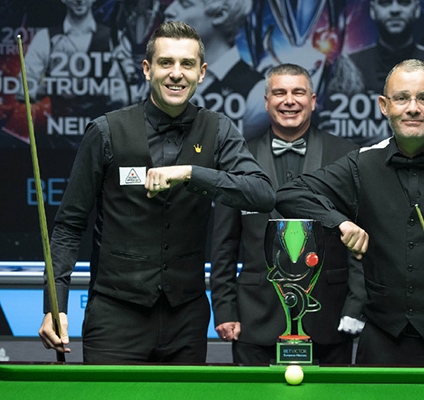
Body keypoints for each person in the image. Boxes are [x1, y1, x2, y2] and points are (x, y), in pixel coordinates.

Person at [38, 21, 276, 364]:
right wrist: (54, 304)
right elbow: (68, 226)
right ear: (147, 69)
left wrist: (191, 173)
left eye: (187, 64)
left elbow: (262, 194)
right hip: (115, 317)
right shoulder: (106, 131)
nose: (176, 73)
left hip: (187, 319)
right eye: (166, 62)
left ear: (201, 73)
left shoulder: (218, 129)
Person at [276, 59, 424, 366]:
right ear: (384, 105)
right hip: (380, 341)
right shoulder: (362, 165)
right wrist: (340, 223)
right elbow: (289, 194)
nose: (413, 108)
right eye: (402, 98)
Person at [210, 63, 365, 365]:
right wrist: (225, 310)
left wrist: (355, 306)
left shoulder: (346, 156)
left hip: (329, 318)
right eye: (279, 93)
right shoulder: (237, 160)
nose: (289, 101)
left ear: (313, 100)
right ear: (266, 101)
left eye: (298, 92)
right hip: (255, 320)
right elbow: (223, 246)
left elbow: (360, 243)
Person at [320, 0, 424, 146]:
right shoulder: (349, 67)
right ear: (373, 11)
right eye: (385, 3)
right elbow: (333, 131)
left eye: (404, 3)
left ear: (417, 10)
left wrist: (388, 141)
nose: (395, 9)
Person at [17, 0, 136, 147]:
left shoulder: (115, 40)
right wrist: (56, 86)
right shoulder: (45, 38)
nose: (80, 1)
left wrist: (101, 90)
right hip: (55, 142)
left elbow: (128, 96)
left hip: (103, 143)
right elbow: (23, 90)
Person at [164, 0, 268, 141]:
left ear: (221, 14)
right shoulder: (159, 79)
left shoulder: (255, 94)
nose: (169, 11)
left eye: (185, 4)